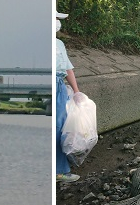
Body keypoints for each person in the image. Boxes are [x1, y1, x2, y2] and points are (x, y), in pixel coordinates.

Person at [55, 11, 81, 183]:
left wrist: (77, 91)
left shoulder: (59, 44)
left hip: (59, 87)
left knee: (61, 127)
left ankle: (60, 170)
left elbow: (68, 69)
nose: (57, 22)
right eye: (55, 19)